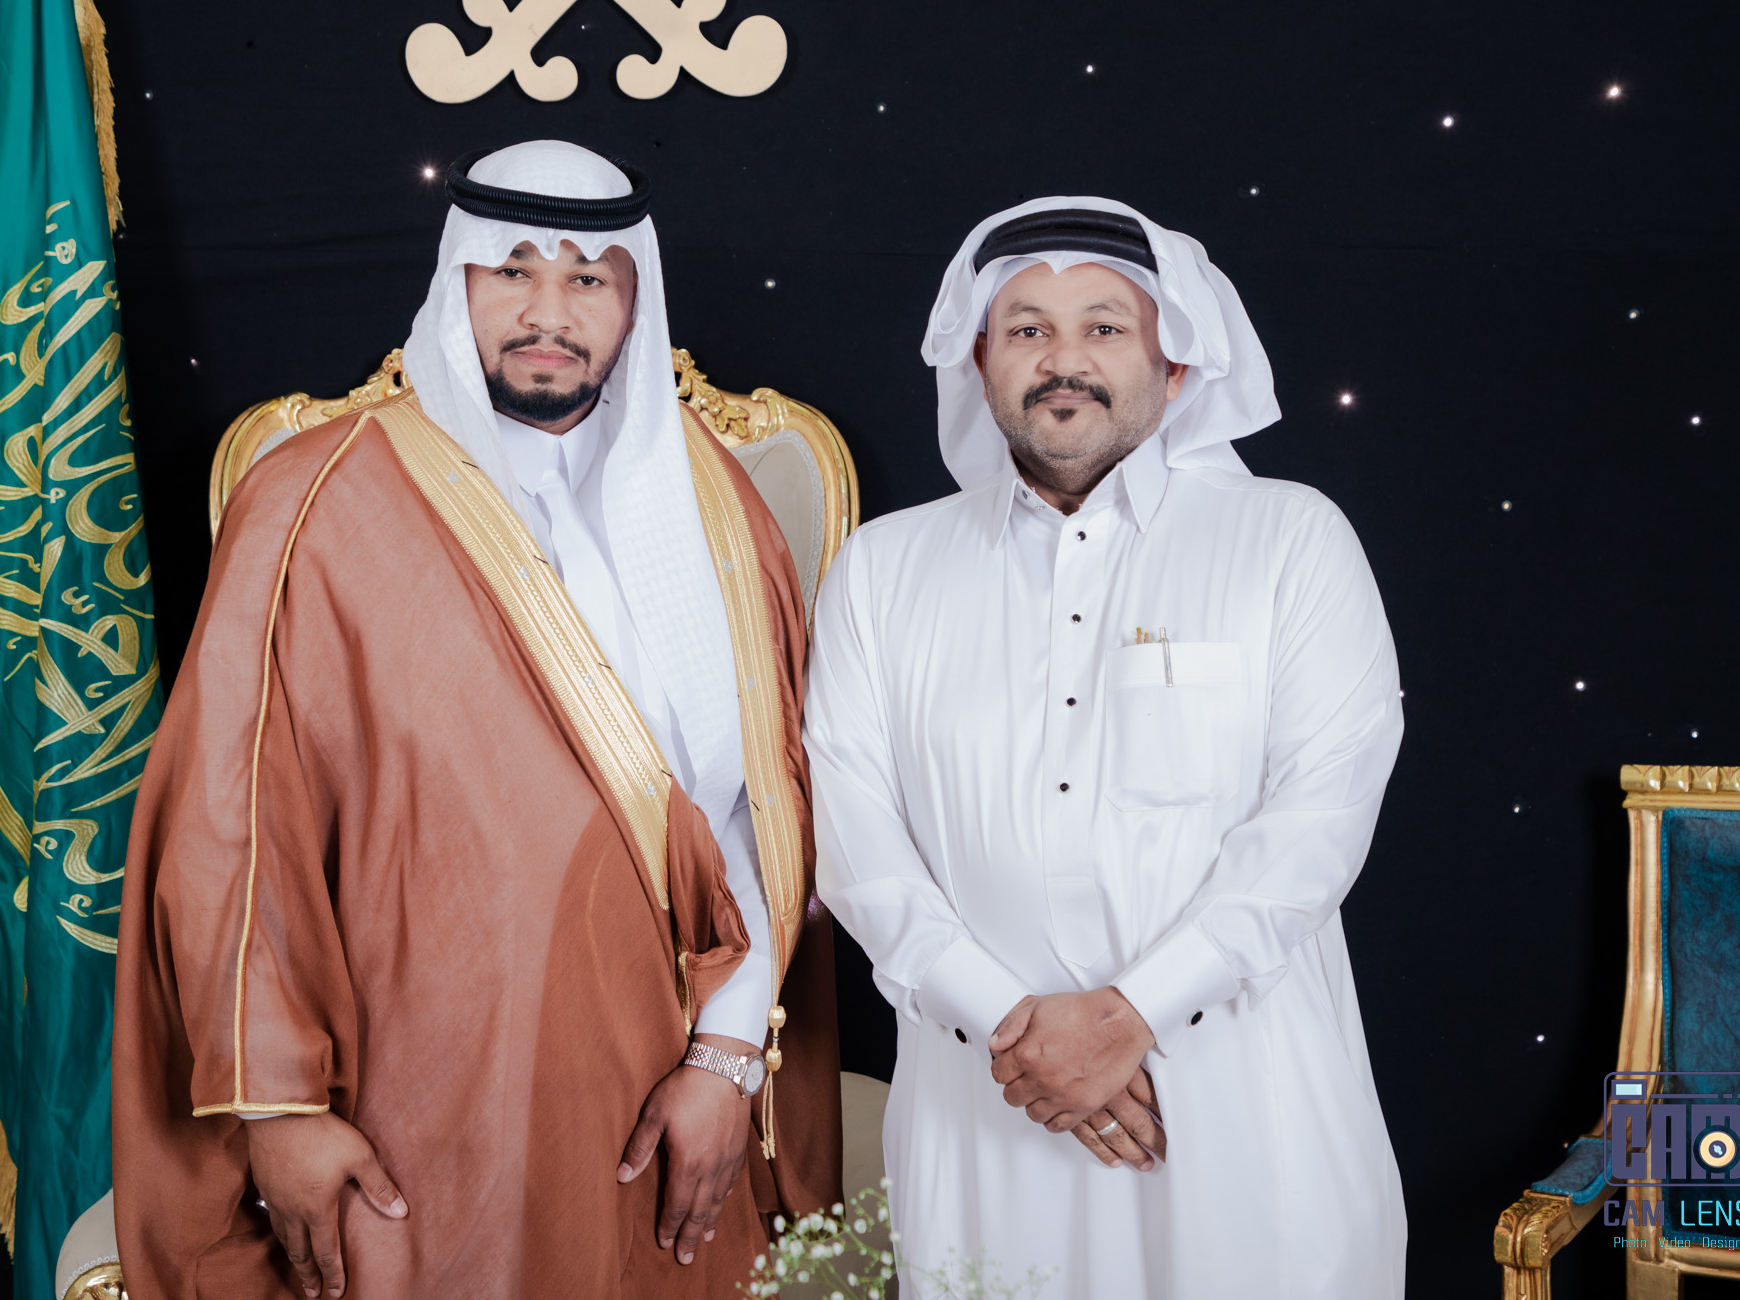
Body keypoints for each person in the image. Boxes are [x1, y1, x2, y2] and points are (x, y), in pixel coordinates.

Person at [113, 140, 839, 1300]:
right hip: (411, 1098)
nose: (547, 313)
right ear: (456, 279)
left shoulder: (716, 504)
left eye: (587, 278)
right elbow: (232, 826)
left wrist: (726, 1059)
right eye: (511, 272)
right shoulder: (310, 501)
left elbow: (762, 813)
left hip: (676, 1086)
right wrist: (280, 1109)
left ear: (634, 298)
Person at [805, 198, 1406, 1298]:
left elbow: (1318, 819)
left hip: (1238, 1095)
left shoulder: (1289, 539)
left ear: (1175, 366)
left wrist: (1131, 1016)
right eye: (1027, 329)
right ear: (979, 363)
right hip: (987, 1097)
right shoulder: (883, 571)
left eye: (1103, 327)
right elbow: (856, 843)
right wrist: (1016, 1028)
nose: (1062, 360)